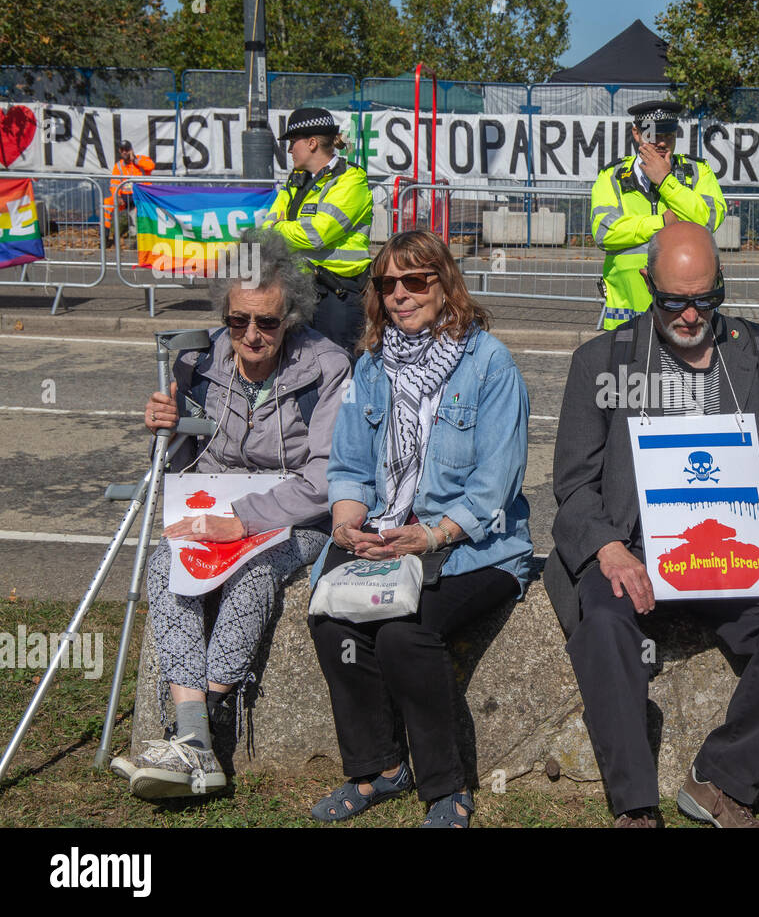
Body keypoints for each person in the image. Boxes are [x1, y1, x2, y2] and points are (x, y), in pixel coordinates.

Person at [546, 220, 759, 827]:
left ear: (722, 286)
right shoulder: (602, 360)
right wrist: (607, 549)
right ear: (649, 284)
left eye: (704, 299)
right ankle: (635, 805)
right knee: (603, 620)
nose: (688, 314)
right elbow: (573, 484)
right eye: (673, 300)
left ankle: (719, 780)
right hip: (637, 547)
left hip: (732, 549)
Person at [111, 230, 352, 798]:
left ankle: (191, 737)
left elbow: (327, 477)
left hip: (293, 517)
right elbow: (178, 463)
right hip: (214, 511)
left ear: (290, 316)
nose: (250, 335)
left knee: (252, 576)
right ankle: (198, 743)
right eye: (238, 320)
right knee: (168, 565)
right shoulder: (200, 358)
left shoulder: (326, 366)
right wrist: (164, 429)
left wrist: (246, 519)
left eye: (267, 322)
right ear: (225, 312)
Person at [307, 228, 533, 828]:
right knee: (331, 620)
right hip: (390, 533)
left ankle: (446, 787)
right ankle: (380, 768)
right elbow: (351, 465)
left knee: (406, 634)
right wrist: (348, 517)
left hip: (477, 547)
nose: (401, 294)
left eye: (416, 280)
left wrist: (433, 535)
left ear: (444, 283)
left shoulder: (490, 362)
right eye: (388, 285)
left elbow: (497, 481)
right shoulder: (371, 366)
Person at [590, 100, 726, 330]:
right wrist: (662, 222)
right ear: (637, 133)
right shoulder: (611, 176)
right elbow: (605, 232)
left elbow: (707, 220)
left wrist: (665, 181)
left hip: (686, 314)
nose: (662, 142)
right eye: (654, 136)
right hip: (626, 316)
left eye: (669, 135)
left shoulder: (698, 171)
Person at [265, 107, 375, 354]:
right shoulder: (295, 180)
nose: (290, 149)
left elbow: (317, 234)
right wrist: (281, 229)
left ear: (312, 143)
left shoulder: (350, 179)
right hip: (297, 289)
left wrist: (280, 227)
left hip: (337, 294)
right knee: (295, 369)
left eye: (293, 142)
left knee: (338, 370)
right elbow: (266, 229)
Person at [103, 140, 155, 249]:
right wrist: (117, 196)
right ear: (119, 152)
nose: (125, 152)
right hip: (124, 197)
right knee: (107, 203)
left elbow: (150, 166)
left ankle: (139, 240)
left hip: (140, 196)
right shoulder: (119, 166)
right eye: (122, 150)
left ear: (131, 150)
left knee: (138, 215)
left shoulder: (141, 160)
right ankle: (105, 237)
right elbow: (114, 183)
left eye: (127, 149)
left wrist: (135, 160)